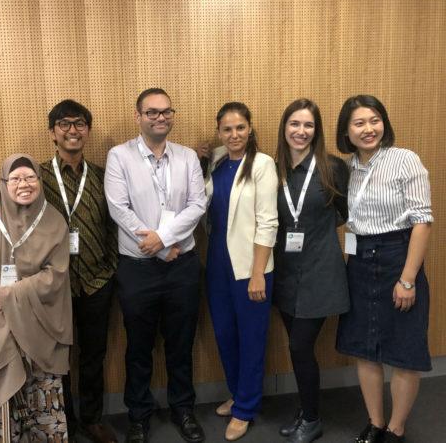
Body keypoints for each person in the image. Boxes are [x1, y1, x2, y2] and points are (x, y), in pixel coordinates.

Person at [104, 88, 207, 443]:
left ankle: (184, 409)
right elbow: (118, 208)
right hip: (138, 267)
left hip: (183, 266)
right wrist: (158, 248)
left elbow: (197, 205)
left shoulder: (188, 157)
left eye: (166, 112)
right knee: (139, 346)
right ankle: (138, 416)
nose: (160, 118)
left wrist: (163, 239)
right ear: (138, 116)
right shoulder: (119, 157)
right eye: (152, 112)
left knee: (181, 344)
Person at [335, 95, 433, 443]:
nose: (368, 129)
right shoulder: (349, 168)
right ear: (346, 131)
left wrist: (407, 280)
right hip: (360, 260)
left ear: (384, 123)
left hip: (397, 257)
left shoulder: (405, 160)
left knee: (404, 350)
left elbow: (422, 222)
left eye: (374, 120)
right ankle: (375, 422)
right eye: (359, 123)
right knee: (365, 348)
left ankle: (396, 428)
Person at [0, 154, 73, 443]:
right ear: (3, 183)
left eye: (30, 177)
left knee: (43, 402)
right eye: (15, 178)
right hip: (1, 327)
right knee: (6, 400)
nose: (24, 184)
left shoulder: (54, 220)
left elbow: (56, 276)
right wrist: (3, 320)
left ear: (39, 180)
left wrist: (10, 295)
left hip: (41, 324)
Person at [40, 100, 118, 443]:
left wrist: (111, 265)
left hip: (97, 281)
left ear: (87, 129)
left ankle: (91, 418)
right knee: (57, 356)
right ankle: (63, 420)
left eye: (80, 123)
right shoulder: (37, 176)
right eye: (64, 124)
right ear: (53, 132)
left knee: (93, 354)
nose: (72, 130)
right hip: (53, 284)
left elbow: (116, 224)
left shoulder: (102, 175)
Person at [273, 99, 349, 443]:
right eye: (295, 124)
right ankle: (306, 410)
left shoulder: (332, 167)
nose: (301, 131)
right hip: (285, 271)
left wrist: (316, 233)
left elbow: (346, 213)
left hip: (321, 270)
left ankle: (313, 418)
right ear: (284, 128)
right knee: (296, 345)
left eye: (308, 125)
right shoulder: (271, 168)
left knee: (300, 347)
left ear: (317, 131)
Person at [201, 102, 278, 441]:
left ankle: (245, 408)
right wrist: (202, 153)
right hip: (217, 262)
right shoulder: (217, 161)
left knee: (251, 339)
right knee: (225, 334)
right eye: (227, 129)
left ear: (250, 128)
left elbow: (268, 222)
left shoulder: (262, 164)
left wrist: (259, 272)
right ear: (220, 132)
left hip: (251, 266)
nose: (234, 135)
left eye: (240, 128)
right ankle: (237, 392)